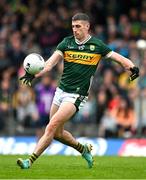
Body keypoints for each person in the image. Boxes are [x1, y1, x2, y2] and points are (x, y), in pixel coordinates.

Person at [17, 13, 139, 169]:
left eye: (78, 26)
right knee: (57, 134)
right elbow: (48, 65)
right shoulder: (66, 43)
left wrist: (132, 67)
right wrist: (33, 74)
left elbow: (118, 58)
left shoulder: (97, 46)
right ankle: (83, 149)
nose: (75, 30)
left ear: (87, 27)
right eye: (73, 26)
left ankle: (29, 161)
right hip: (60, 92)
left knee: (51, 126)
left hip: (76, 95)